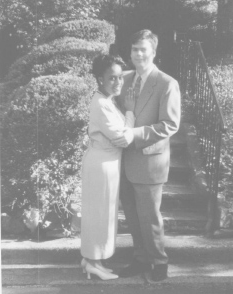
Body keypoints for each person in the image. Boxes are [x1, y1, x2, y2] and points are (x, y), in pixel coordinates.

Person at [112, 29, 181, 281]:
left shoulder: (166, 83)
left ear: (153, 52)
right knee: (131, 215)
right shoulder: (124, 79)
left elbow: (170, 125)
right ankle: (141, 259)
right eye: (134, 49)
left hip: (150, 160)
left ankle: (159, 262)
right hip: (124, 161)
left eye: (143, 49)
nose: (138, 54)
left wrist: (134, 134)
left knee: (150, 218)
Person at [80, 54, 136, 280]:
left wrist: (126, 123)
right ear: (99, 79)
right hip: (101, 164)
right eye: (111, 78)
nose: (118, 82)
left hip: (109, 163)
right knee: (98, 215)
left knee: (104, 215)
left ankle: (94, 260)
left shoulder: (108, 100)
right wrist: (131, 112)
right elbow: (122, 138)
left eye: (120, 77)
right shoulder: (101, 103)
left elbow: (122, 133)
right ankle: (92, 262)